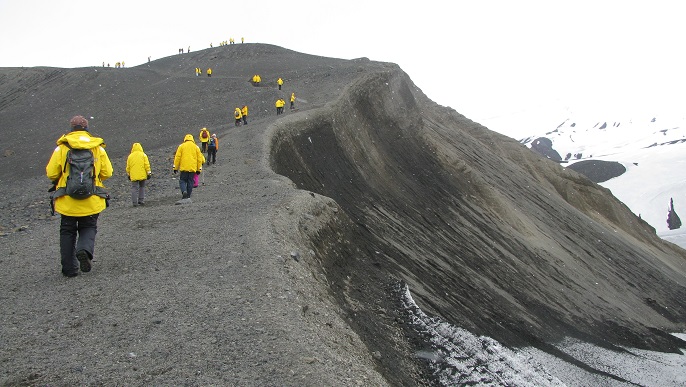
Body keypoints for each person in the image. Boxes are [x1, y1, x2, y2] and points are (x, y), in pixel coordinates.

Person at [46, 115, 113, 277]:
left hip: (67, 199)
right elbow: (107, 172)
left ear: (72, 128)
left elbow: (51, 173)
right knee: (89, 226)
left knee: (67, 231)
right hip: (91, 199)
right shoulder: (97, 147)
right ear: (86, 128)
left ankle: (69, 269)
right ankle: (84, 250)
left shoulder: (61, 148)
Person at [173, 134, 204, 201]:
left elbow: (177, 157)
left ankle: (184, 191)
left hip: (184, 167)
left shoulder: (181, 146)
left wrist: (175, 167)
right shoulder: (196, 147)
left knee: (182, 180)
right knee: (190, 181)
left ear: (185, 139)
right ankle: (188, 196)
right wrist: (199, 169)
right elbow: (199, 159)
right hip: (192, 168)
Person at [126, 142, 152, 207]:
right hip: (142, 174)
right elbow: (147, 165)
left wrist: (128, 174)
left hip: (134, 175)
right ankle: (141, 200)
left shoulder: (130, 156)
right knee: (142, 187)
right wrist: (149, 173)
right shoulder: (143, 155)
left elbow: (128, 167)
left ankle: (134, 202)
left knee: (134, 188)